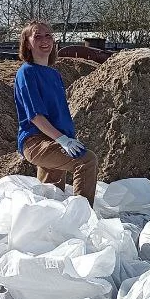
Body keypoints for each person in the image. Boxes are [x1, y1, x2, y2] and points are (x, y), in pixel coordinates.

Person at [13, 20, 99, 203]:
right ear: (27, 43)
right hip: (36, 142)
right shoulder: (27, 72)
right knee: (86, 160)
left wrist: (65, 138)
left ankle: (53, 229)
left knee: (51, 198)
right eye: (37, 36)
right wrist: (62, 140)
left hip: (57, 140)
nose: (44, 40)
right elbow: (35, 116)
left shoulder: (54, 75)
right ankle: (83, 219)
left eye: (48, 35)